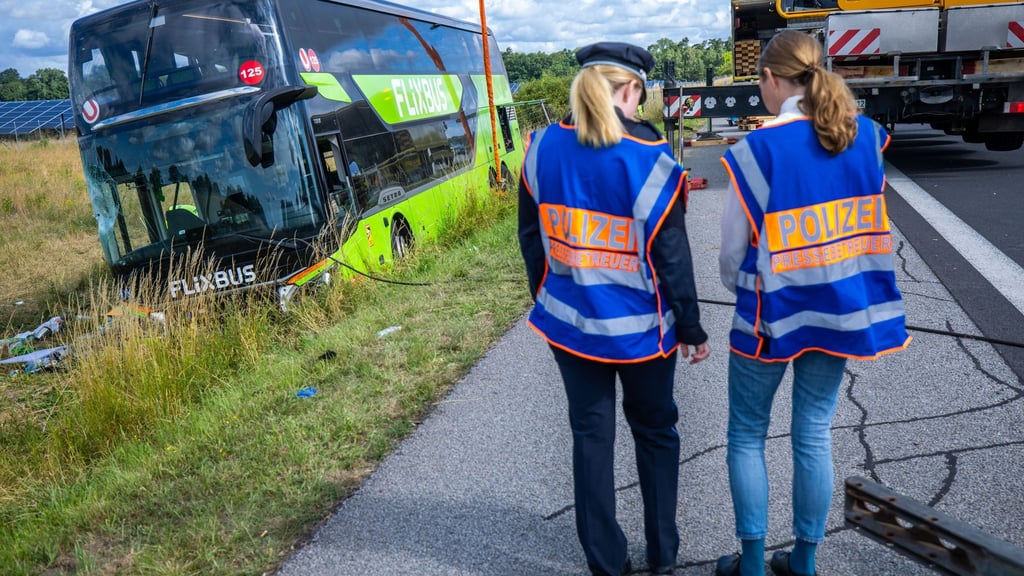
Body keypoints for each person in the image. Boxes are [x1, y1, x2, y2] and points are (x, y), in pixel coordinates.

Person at [715, 30, 911, 576]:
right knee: (813, 432)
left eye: (761, 84)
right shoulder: (865, 136)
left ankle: (751, 564)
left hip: (767, 319)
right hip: (839, 312)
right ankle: (803, 561)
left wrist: (743, 287)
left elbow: (733, 256)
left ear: (772, 79)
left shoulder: (757, 151)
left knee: (747, 434)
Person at [517, 42, 711, 576]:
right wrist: (691, 326)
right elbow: (672, 256)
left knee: (590, 437)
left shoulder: (538, 148)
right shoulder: (649, 159)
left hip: (570, 324)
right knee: (655, 434)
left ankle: (606, 562)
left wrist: (550, 296)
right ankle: (663, 556)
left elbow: (531, 240)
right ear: (631, 90)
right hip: (643, 333)